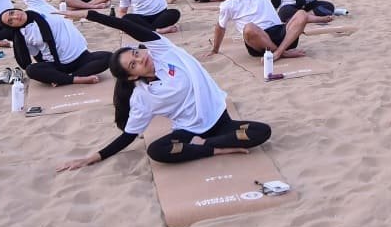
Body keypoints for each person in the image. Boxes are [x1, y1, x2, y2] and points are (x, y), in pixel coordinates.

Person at [56, 16, 271, 172]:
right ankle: (213, 149)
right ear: (132, 77)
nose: (140, 59)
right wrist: (93, 157)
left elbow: (126, 25)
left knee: (261, 132)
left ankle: (207, 143)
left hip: (220, 120)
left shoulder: (163, 51)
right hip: (189, 130)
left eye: (136, 54)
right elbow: (128, 136)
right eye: (133, 65)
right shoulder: (142, 97)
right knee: (157, 151)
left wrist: (90, 15)